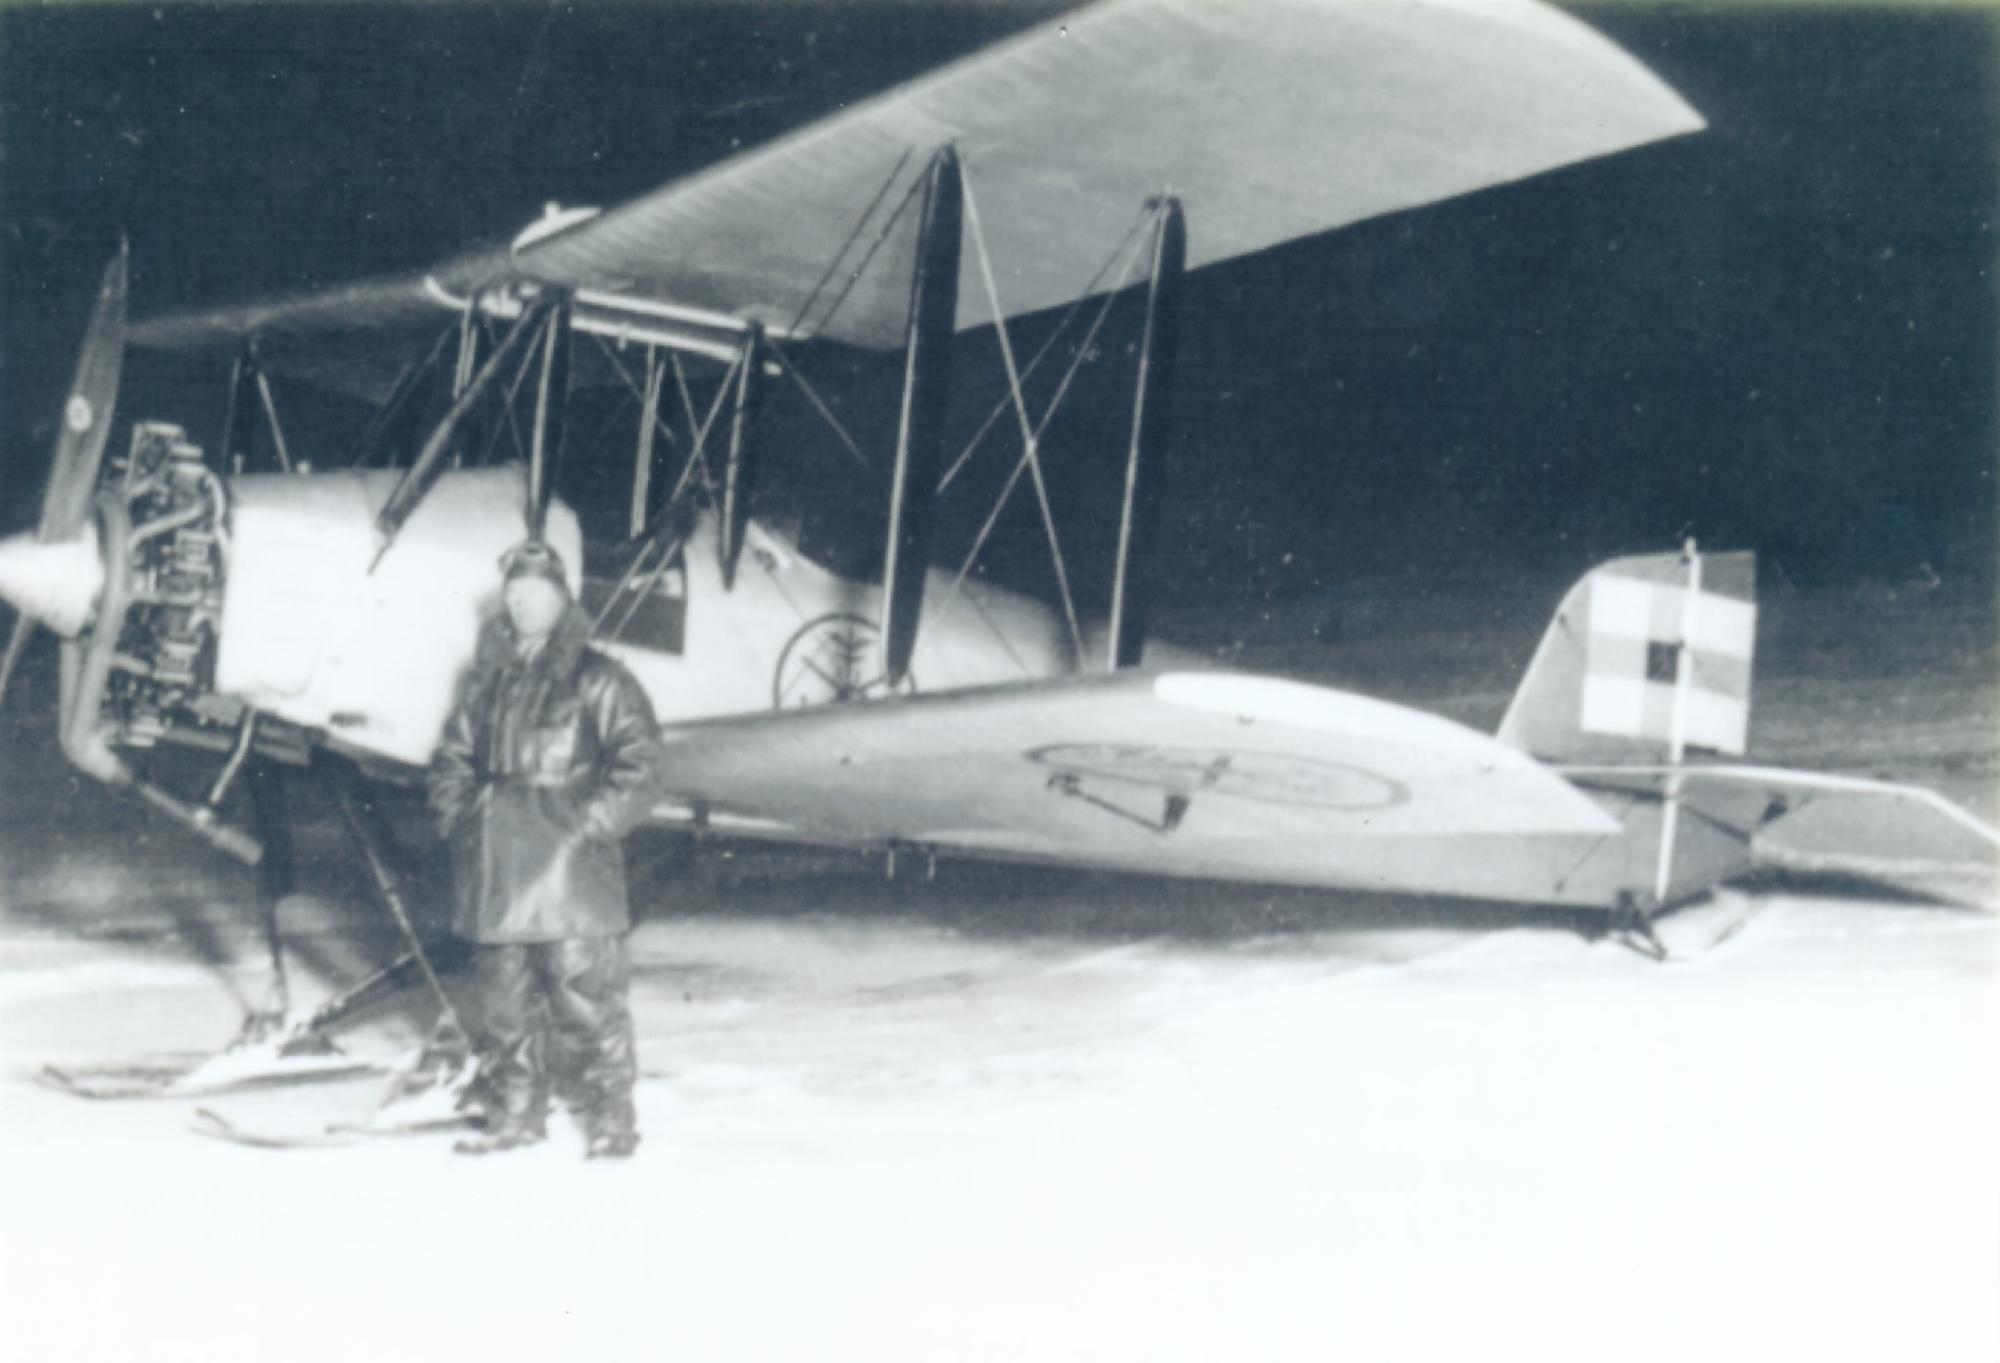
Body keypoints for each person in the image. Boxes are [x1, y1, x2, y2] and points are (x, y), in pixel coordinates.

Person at [429, 539, 668, 1158]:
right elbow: (452, 759)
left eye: (535, 591)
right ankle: (516, 1116)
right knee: (503, 1007)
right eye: (513, 592)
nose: (522, 602)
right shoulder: (486, 683)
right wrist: (464, 822)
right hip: (497, 870)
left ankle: (611, 1122)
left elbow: (642, 762)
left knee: (585, 1001)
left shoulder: (600, 677)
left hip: (569, 873)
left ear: (562, 599)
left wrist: (588, 826)